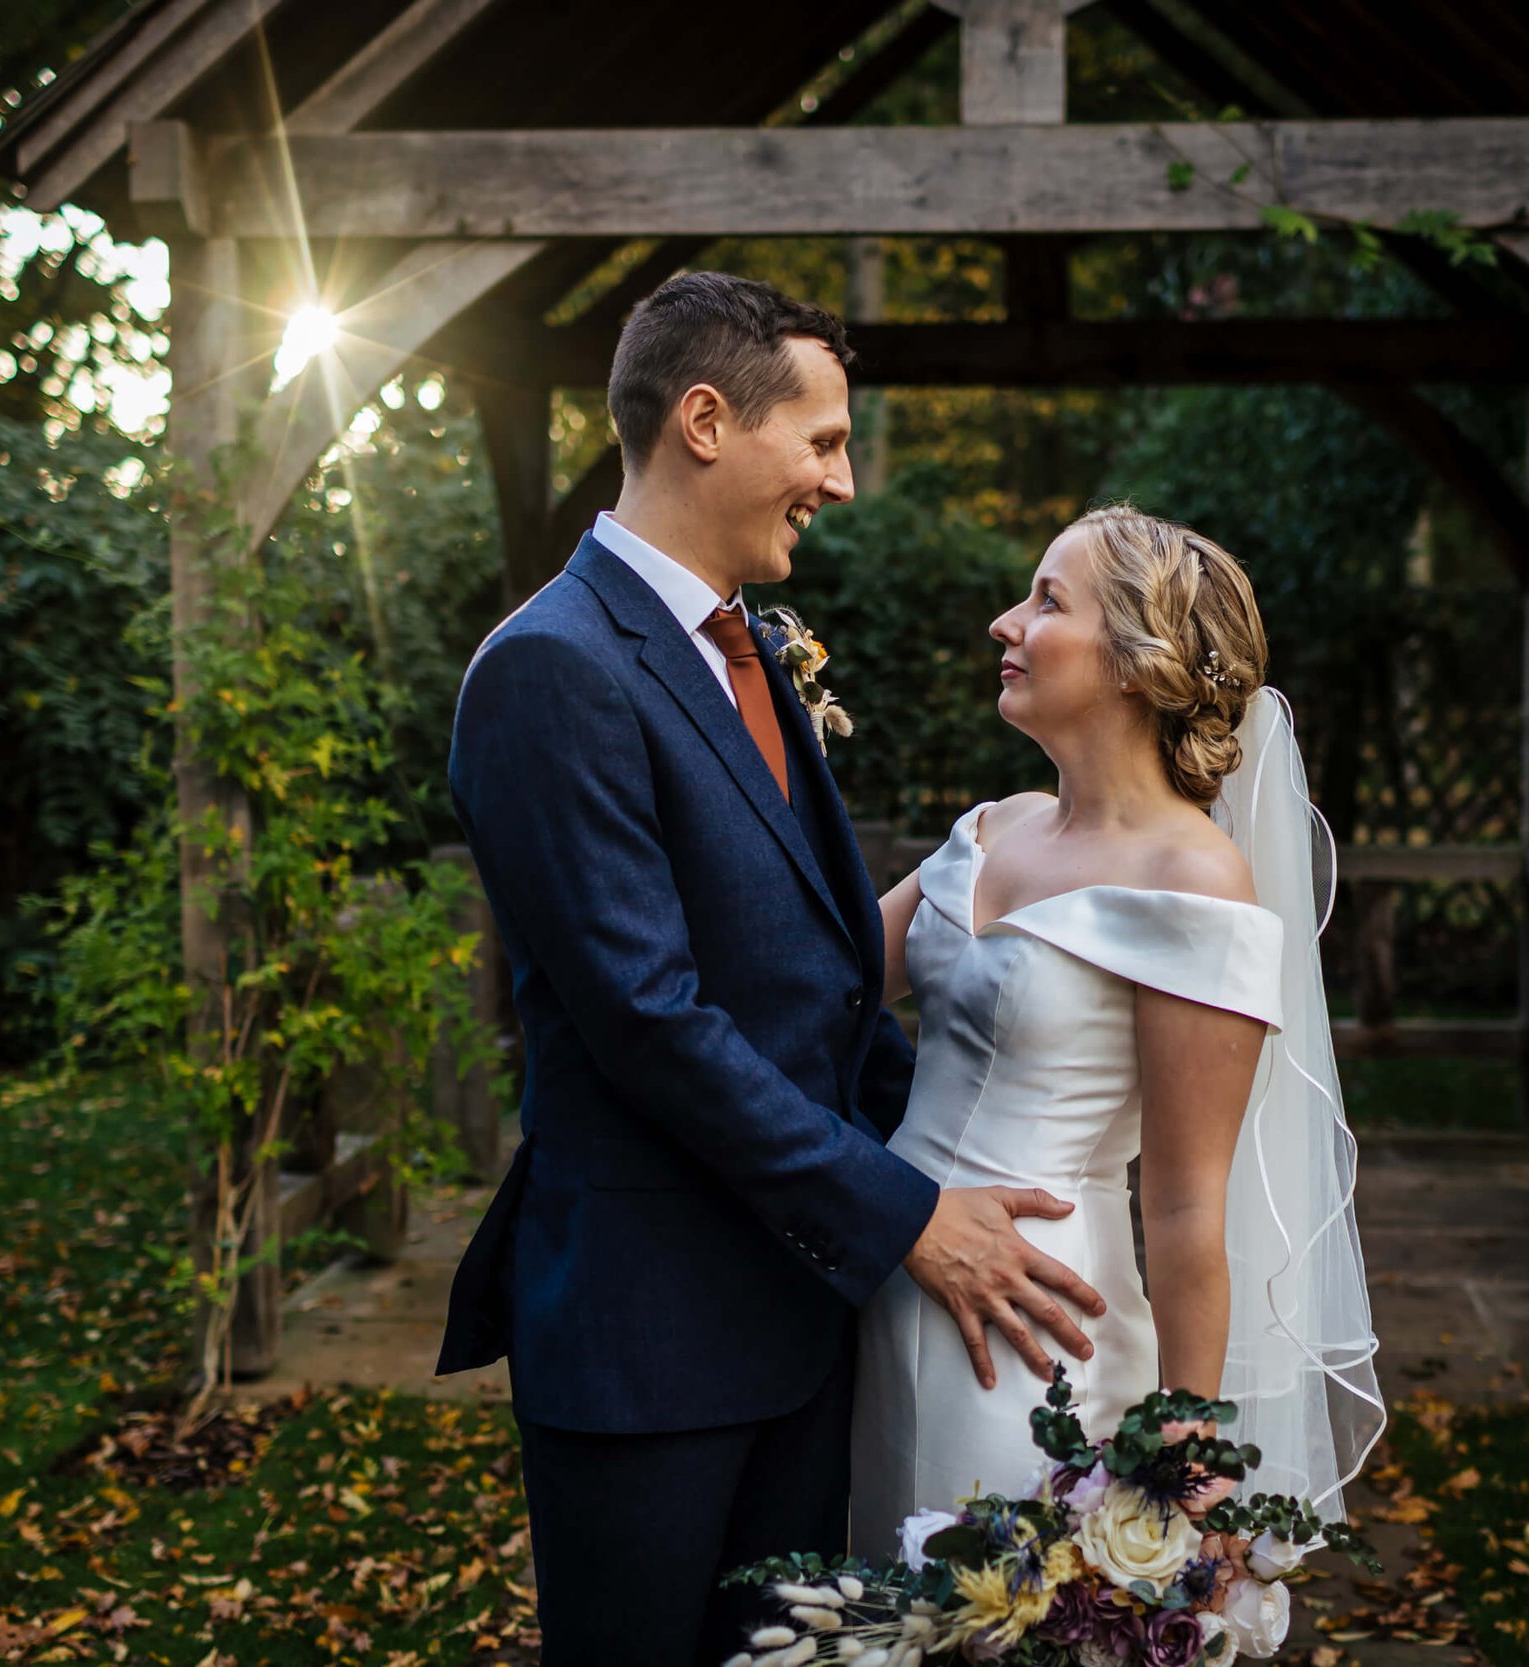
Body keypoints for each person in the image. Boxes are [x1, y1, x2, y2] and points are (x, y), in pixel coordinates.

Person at [435, 271, 1108, 1666]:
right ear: (702, 420)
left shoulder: (751, 649)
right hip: (651, 1334)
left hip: (802, 1315)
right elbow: (649, 1018)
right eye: (822, 440)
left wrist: (967, 1126)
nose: (842, 481)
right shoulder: (552, 668)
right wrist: (907, 1210)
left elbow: (812, 976)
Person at [848, 504, 1384, 1557]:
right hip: (886, 1270)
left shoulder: (1192, 878)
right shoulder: (987, 828)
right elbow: (813, 989)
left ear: (1137, 663)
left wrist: (1186, 1444)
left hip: (1034, 1327)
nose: (1005, 623)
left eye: (1046, 600)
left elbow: (1188, 1206)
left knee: (994, 1601)